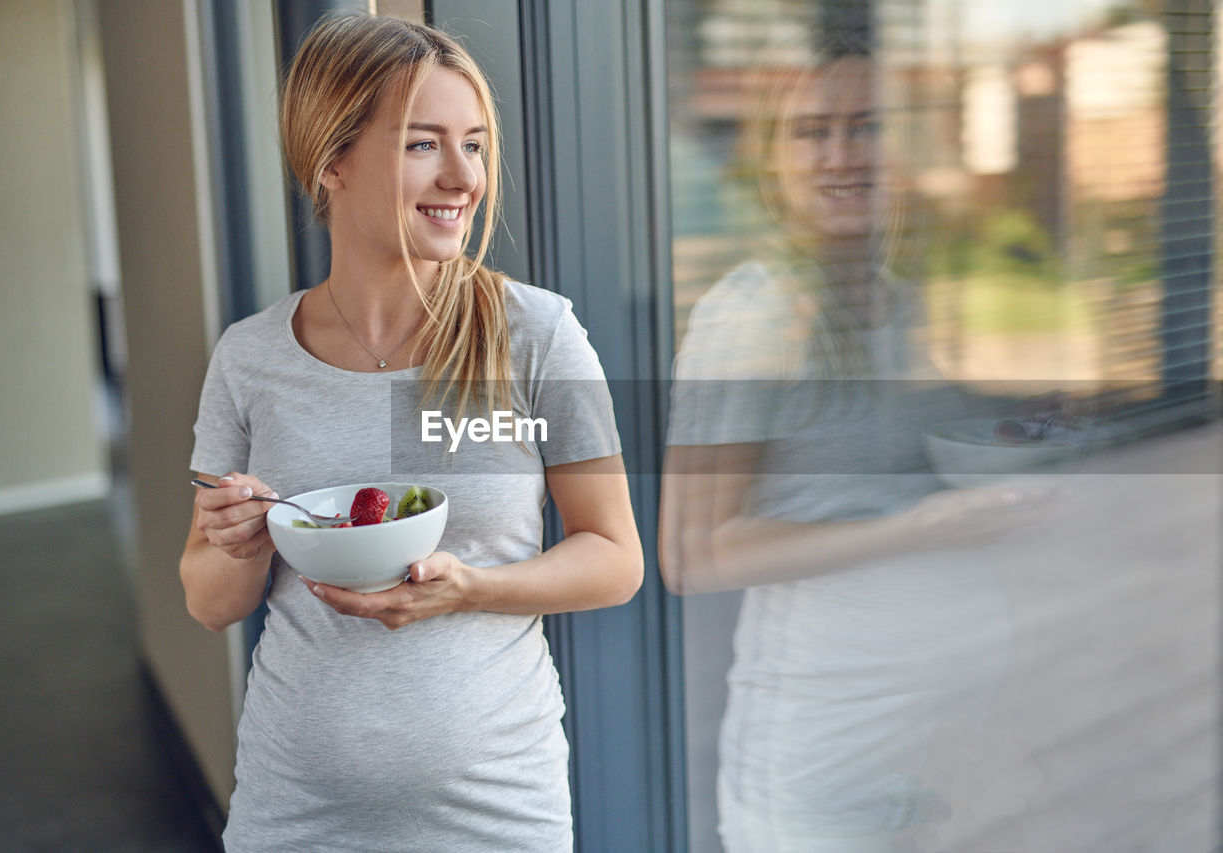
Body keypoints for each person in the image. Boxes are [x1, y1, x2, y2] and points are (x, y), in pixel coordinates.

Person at [180, 13, 643, 851]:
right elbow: (209, 601)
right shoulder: (250, 359)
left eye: (475, 144)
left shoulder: (535, 335)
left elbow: (615, 557)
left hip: (499, 808)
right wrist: (238, 542)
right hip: (295, 810)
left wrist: (471, 588)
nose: (464, 176)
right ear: (333, 161)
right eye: (425, 144)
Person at [660, 28, 1046, 853]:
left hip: (922, 754)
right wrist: (915, 532)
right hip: (816, 783)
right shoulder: (754, 318)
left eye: (867, 126)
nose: (842, 154)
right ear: (774, 160)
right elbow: (694, 553)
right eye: (812, 131)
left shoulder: (894, 303)